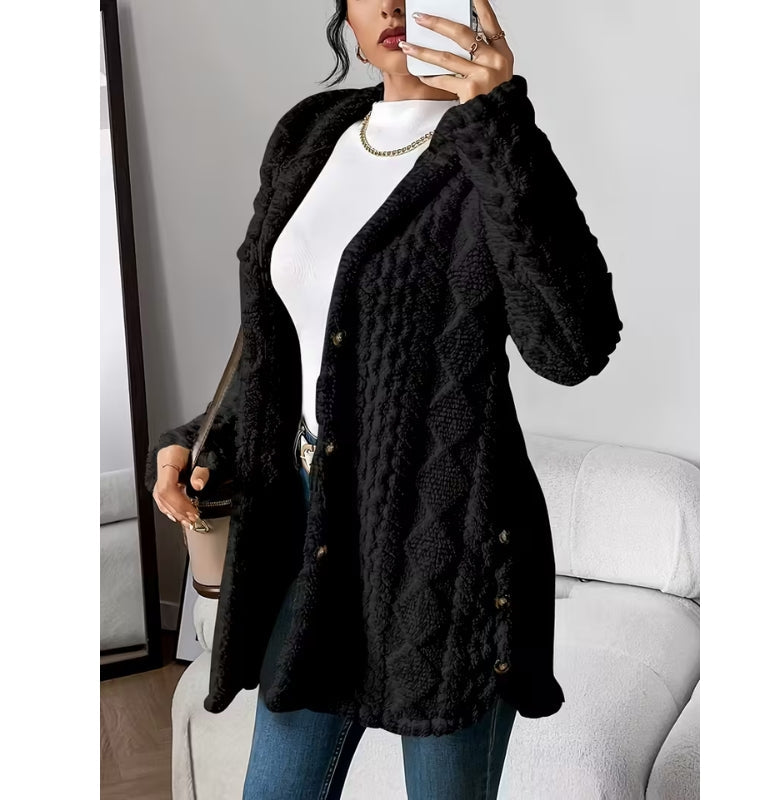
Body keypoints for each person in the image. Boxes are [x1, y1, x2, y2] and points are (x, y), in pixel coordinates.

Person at [146, 1, 623, 797]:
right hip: (309, 529)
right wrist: (205, 435)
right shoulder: (309, 135)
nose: (395, 3)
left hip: (449, 546)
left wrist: (499, 123)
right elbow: (279, 339)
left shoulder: (491, 148)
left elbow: (574, 348)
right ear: (346, 17)